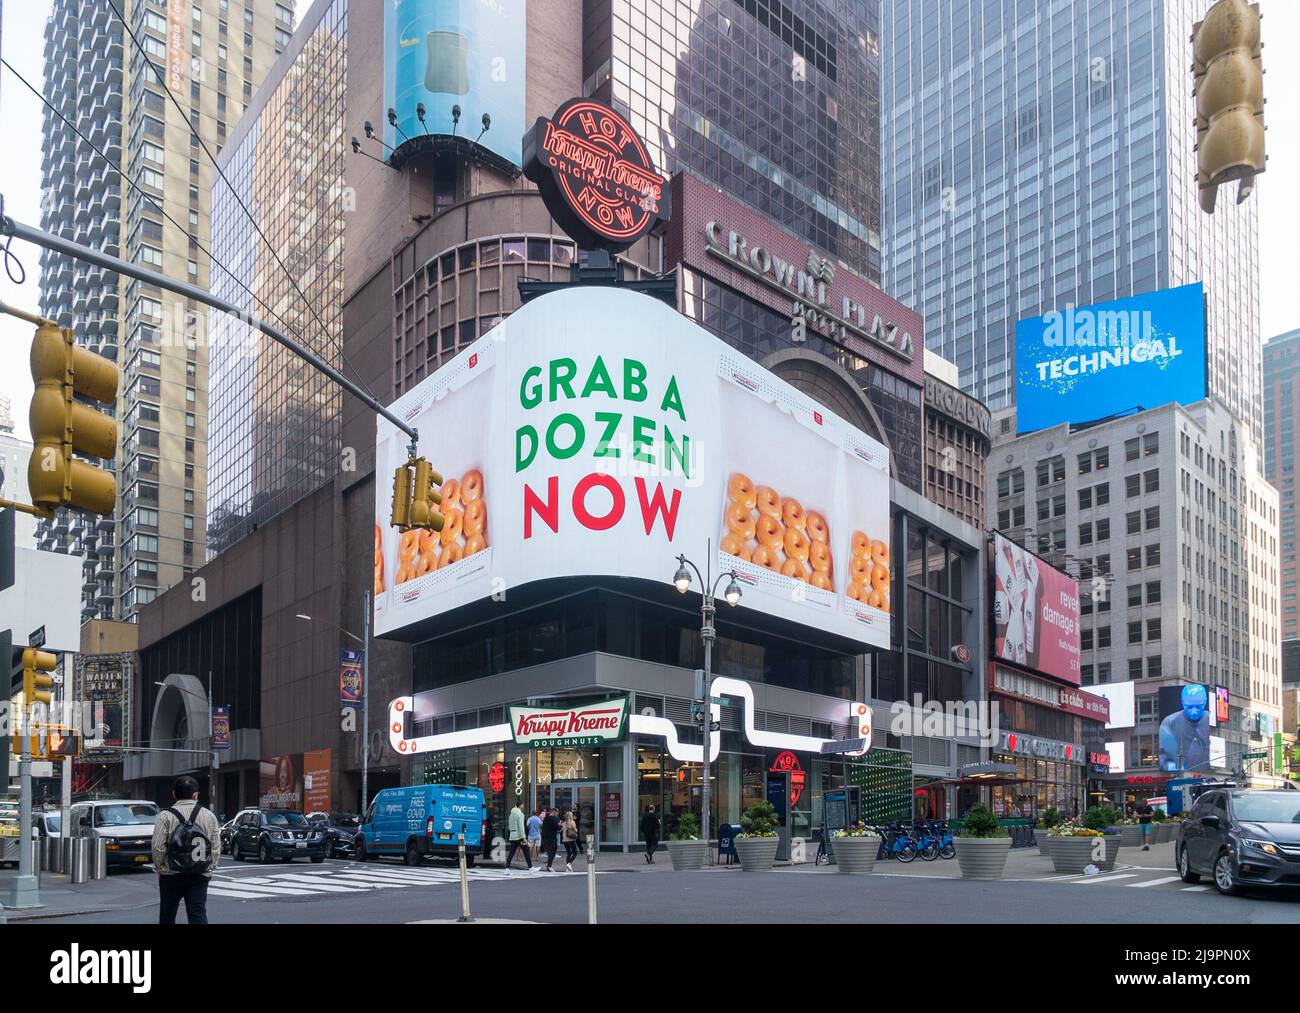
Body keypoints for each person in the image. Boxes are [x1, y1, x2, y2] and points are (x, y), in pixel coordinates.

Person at [151, 774, 220, 925]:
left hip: (171, 874)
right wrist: (210, 867)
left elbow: (157, 846)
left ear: (174, 794)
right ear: (195, 795)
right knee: (197, 913)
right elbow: (215, 846)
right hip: (199, 874)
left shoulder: (165, 816)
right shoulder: (209, 816)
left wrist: (161, 868)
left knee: (167, 914)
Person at [505, 801, 534, 874]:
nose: (523, 806)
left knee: (511, 853)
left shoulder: (511, 814)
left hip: (512, 835)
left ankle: (507, 869)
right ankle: (530, 868)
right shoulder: (520, 814)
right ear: (520, 805)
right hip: (519, 836)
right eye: (523, 805)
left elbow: (510, 825)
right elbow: (521, 826)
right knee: (526, 851)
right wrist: (524, 837)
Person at [540, 807, 561, 872]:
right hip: (552, 837)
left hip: (545, 837)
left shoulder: (546, 818)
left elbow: (542, 827)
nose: (557, 814)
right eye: (557, 812)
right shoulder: (554, 819)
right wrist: (561, 825)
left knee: (549, 851)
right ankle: (549, 866)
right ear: (554, 812)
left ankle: (548, 865)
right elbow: (558, 828)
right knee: (553, 851)